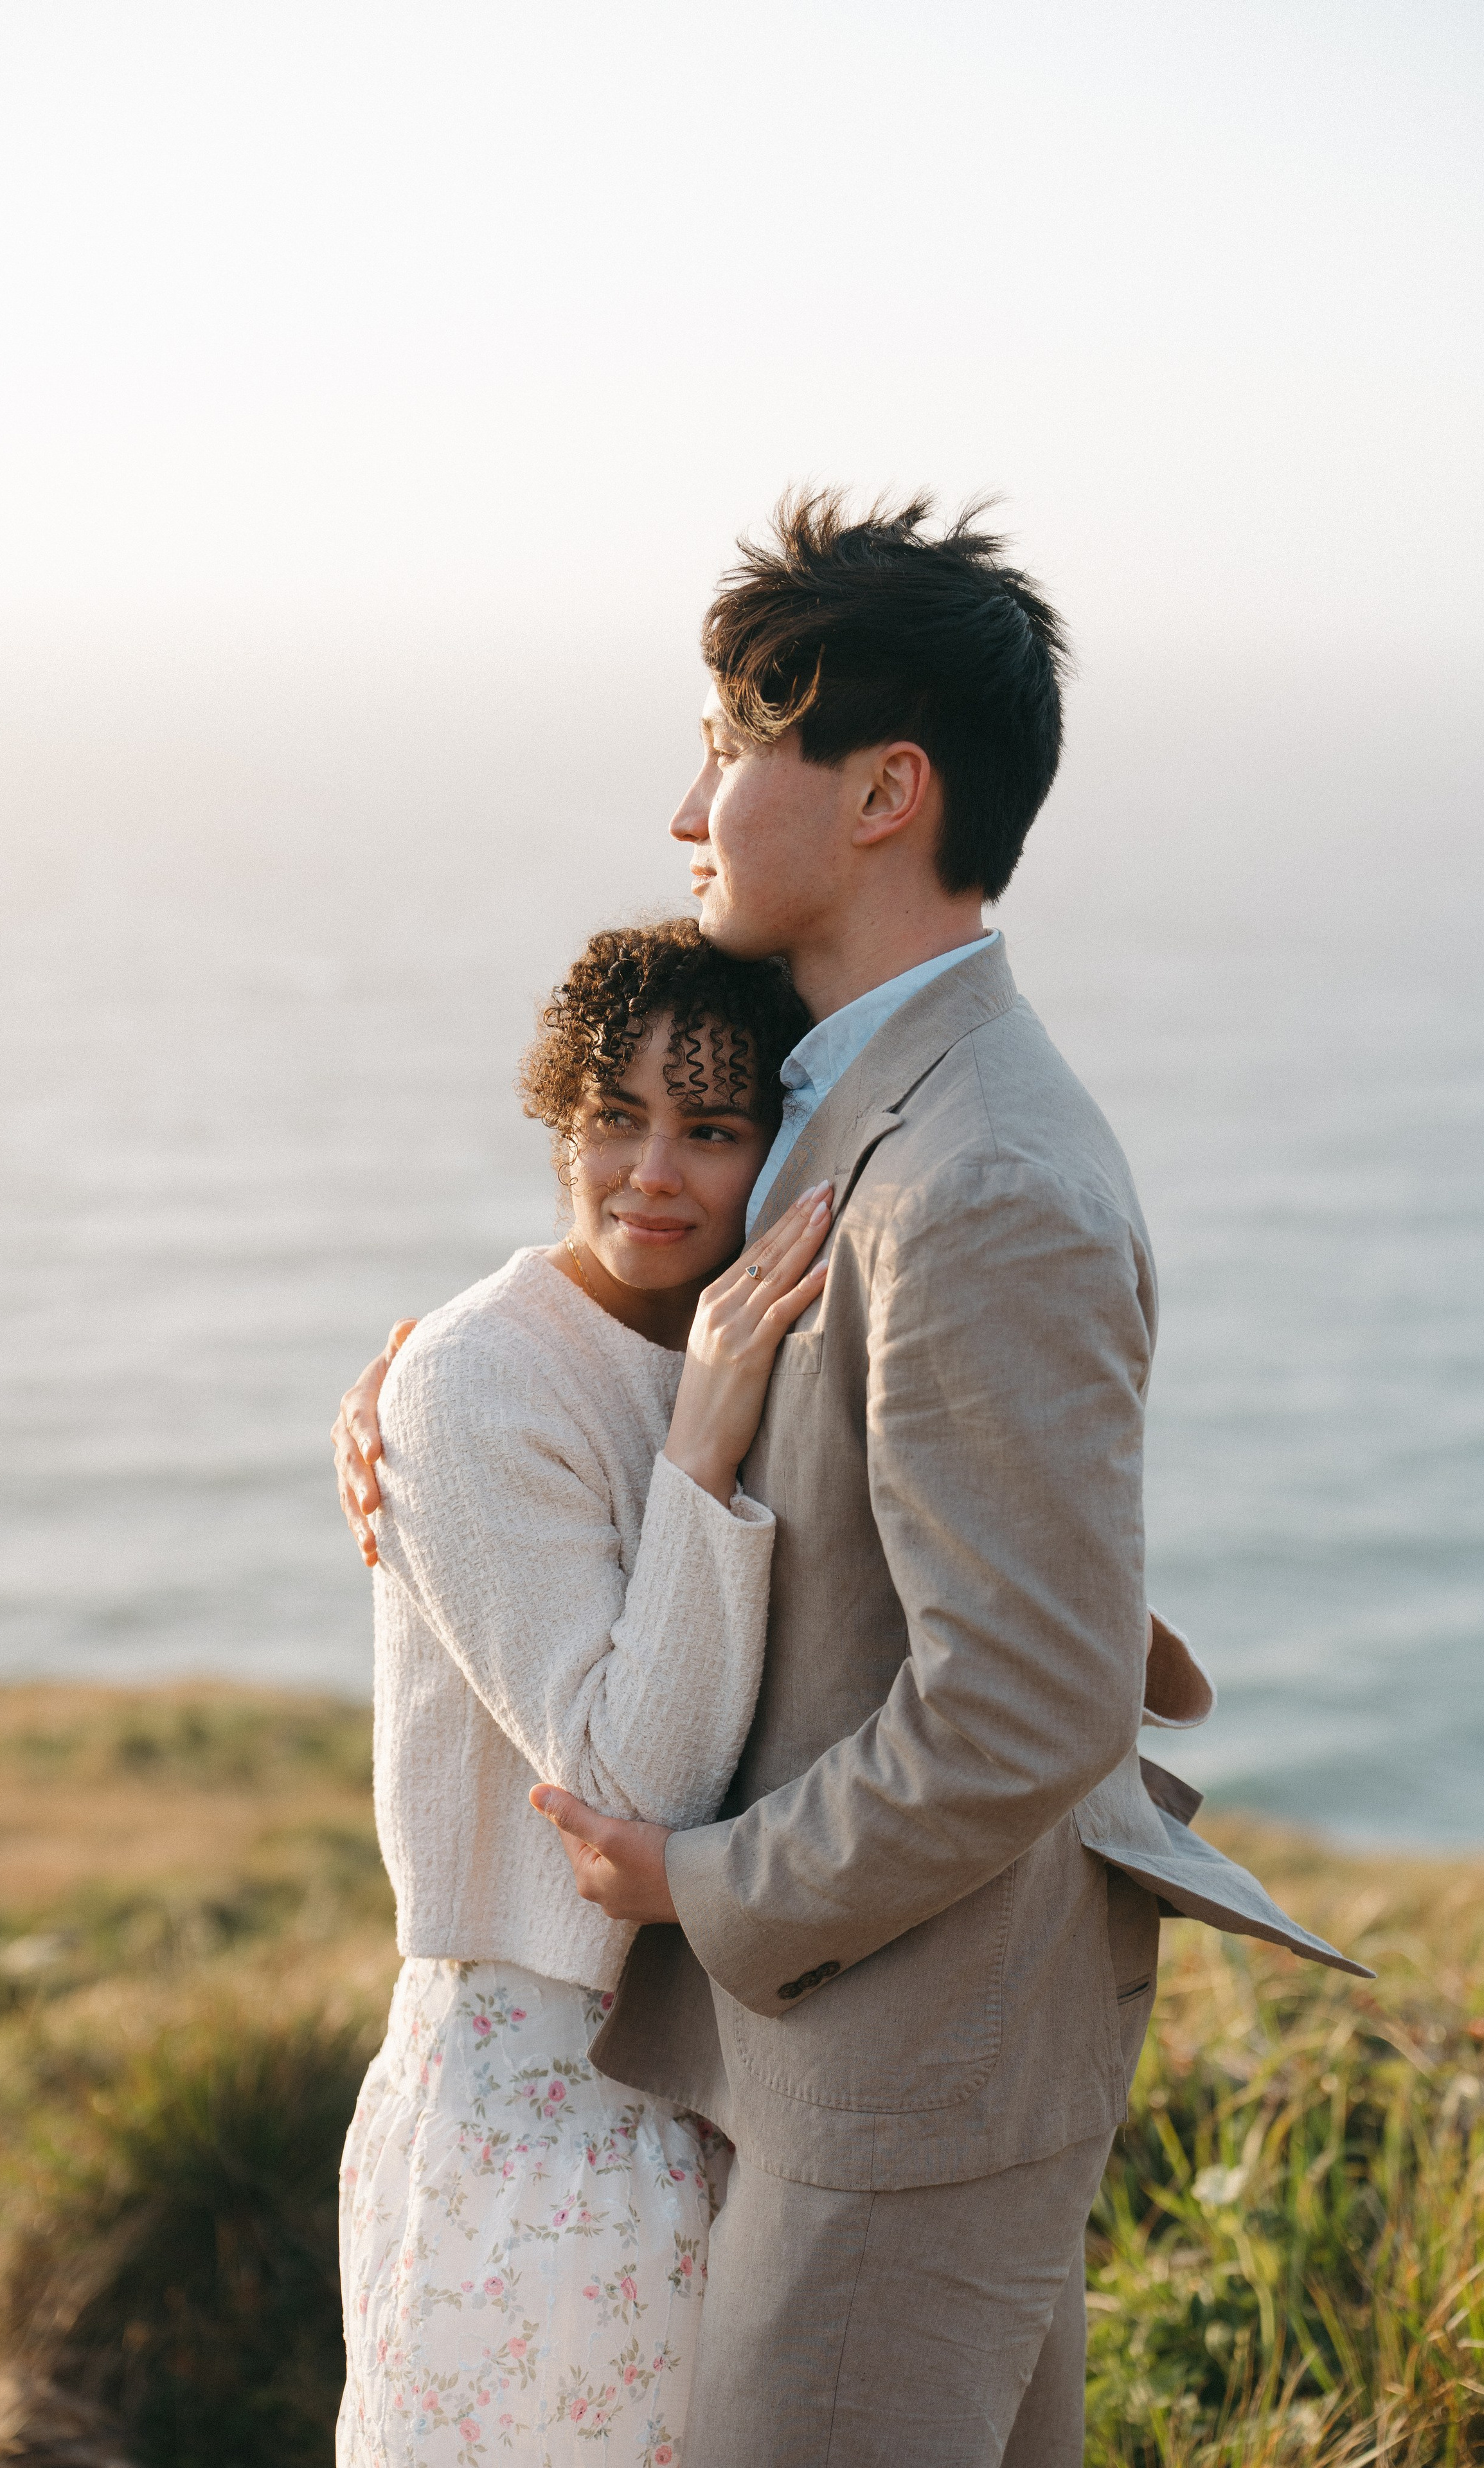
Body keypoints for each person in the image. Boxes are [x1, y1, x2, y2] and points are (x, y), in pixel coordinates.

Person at [337, 493, 1366, 2467]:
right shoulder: (840, 1100)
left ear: (885, 791)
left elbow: (1030, 1696)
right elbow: (717, 1374)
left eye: (729, 744)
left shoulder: (979, 1175)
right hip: (855, 2059)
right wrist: (442, 1374)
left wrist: (695, 1879)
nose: (689, 803)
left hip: (913, 2079)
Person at [336, 918, 827, 2467]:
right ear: (559, 1115)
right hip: (544, 2101)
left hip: (714, 2091)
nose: (652, 1174)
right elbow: (634, 1783)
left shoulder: (745, 1340)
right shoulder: (479, 1378)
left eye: (710, 1127)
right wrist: (697, 1447)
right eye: (613, 1116)